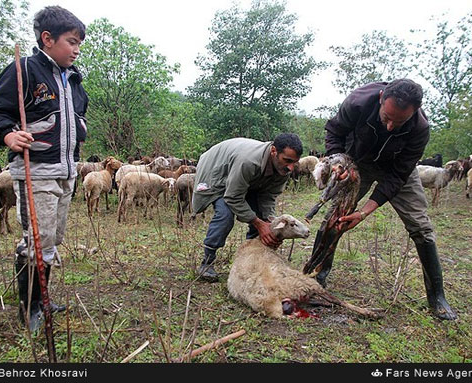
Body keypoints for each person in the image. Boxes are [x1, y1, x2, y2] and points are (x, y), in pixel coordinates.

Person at [0, 6, 88, 331]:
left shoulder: (74, 80)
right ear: (47, 38)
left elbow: (78, 116)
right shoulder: (24, 70)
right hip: (36, 170)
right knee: (37, 241)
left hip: (66, 171)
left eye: (79, 43)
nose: (76, 49)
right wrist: (9, 134)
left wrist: (80, 127)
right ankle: (29, 308)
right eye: (71, 41)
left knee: (52, 239)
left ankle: (42, 298)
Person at [314, 78, 457, 320]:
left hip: (397, 169)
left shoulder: (420, 129)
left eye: (399, 122)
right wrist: (338, 161)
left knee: (421, 227)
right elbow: (334, 131)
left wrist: (363, 212)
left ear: (413, 113)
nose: (390, 126)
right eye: (386, 118)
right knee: (334, 217)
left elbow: (398, 176)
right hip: (356, 161)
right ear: (381, 99)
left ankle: (437, 297)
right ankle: (318, 274)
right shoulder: (358, 101)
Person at [192, 133, 303, 282]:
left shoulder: (284, 168)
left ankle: (253, 261)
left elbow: (268, 196)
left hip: (242, 177)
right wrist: (258, 223)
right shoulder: (248, 162)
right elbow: (233, 197)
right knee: (225, 215)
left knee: (263, 219)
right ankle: (207, 263)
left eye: (294, 162)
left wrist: (269, 223)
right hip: (217, 171)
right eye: (287, 160)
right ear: (274, 151)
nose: (291, 167)